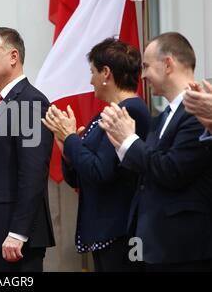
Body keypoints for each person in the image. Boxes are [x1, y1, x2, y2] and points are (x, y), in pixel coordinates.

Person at [99, 32, 212, 271]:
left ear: (168, 64)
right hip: (153, 244)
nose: (143, 75)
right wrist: (122, 143)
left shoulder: (197, 113)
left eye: (147, 66)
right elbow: (148, 168)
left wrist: (129, 140)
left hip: (182, 249)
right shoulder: (162, 118)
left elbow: (172, 171)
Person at [42, 38, 151, 272]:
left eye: (92, 72)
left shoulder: (130, 111)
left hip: (120, 232)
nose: (90, 80)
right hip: (107, 230)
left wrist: (71, 138)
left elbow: (100, 171)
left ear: (106, 73)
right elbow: (81, 177)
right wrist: (67, 148)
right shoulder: (111, 112)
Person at [0, 27, 55, 272]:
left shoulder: (30, 101)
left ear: (13, 57)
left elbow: (33, 172)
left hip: (16, 241)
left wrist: (18, 232)